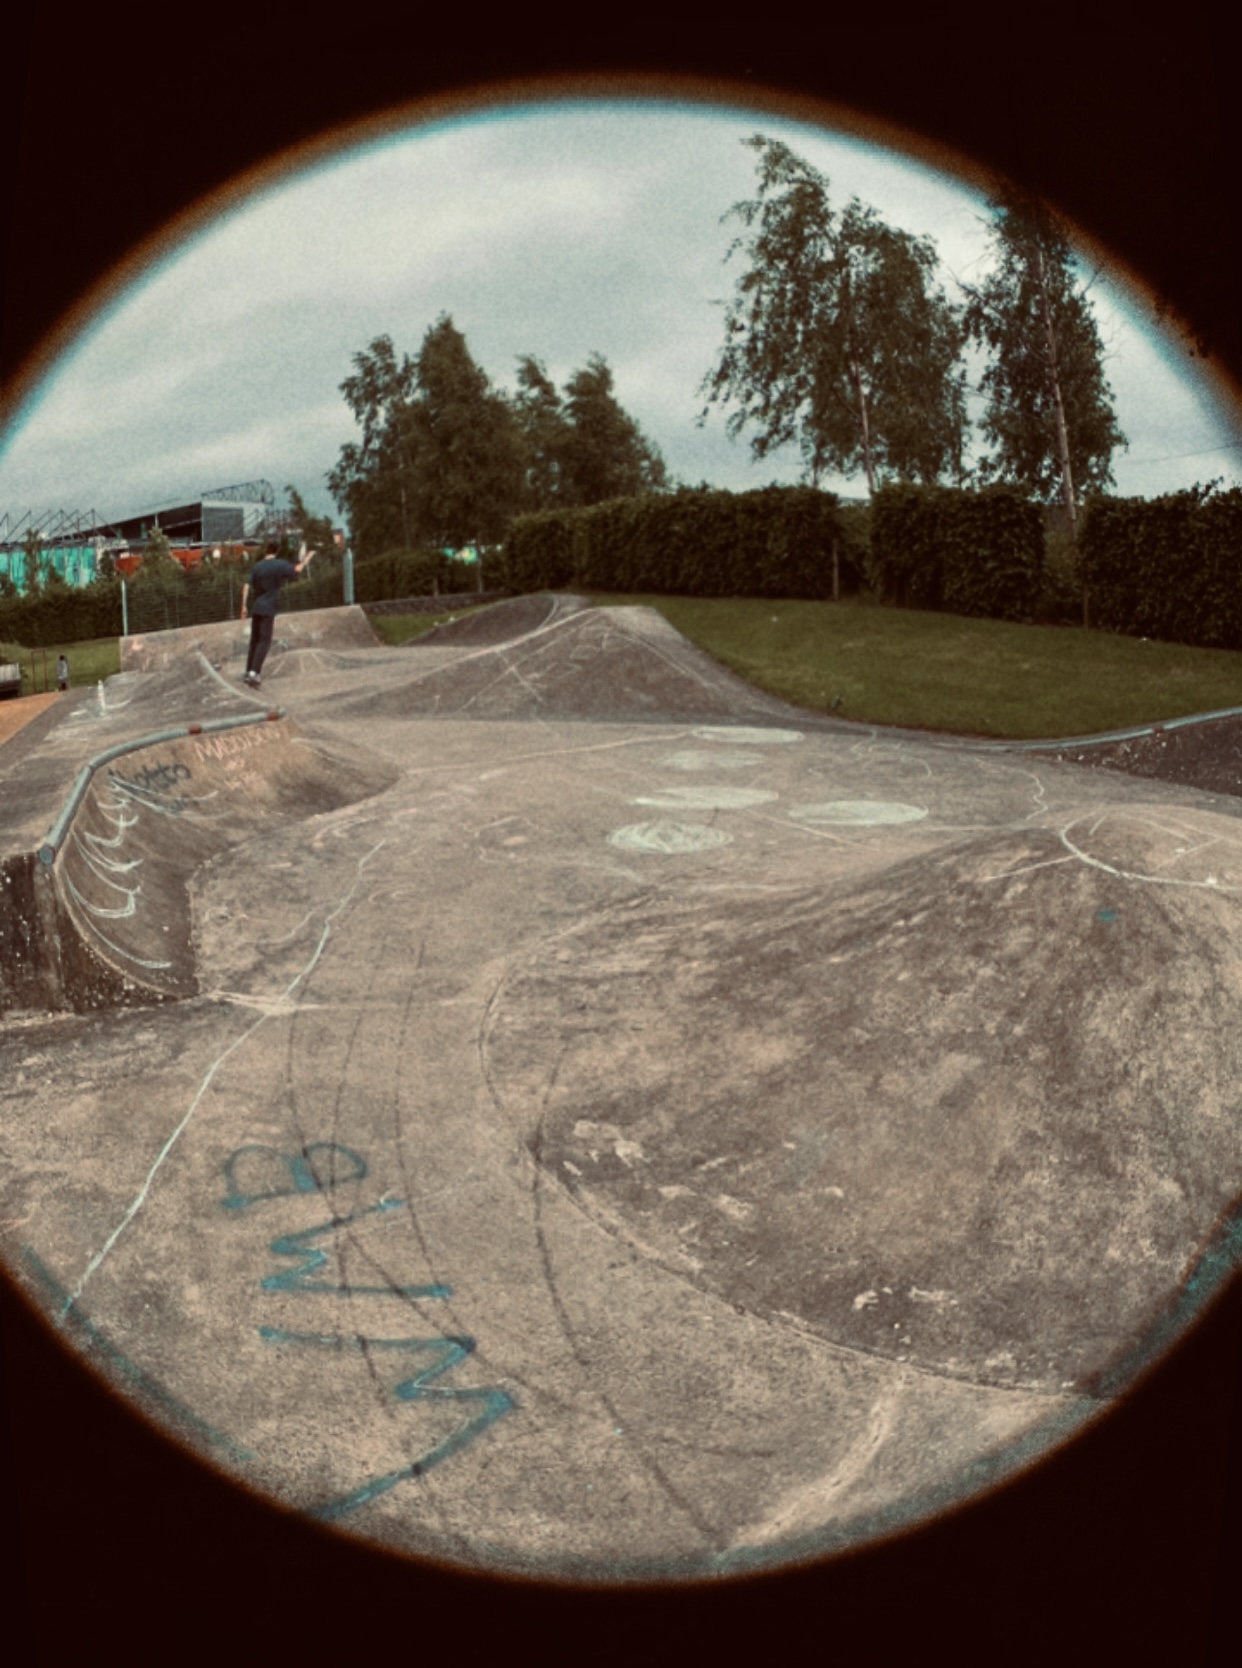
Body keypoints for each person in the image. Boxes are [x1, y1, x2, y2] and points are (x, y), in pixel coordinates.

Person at [239, 540, 314, 688]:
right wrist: (307, 558)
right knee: (264, 641)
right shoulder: (279, 565)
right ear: (277, 551)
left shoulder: (257, 567)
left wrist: (243, 606)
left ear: (266, 550)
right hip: (268, 609)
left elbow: (246, 585)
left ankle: (248, 671)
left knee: (255, 640)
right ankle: (254, 672)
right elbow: (297, 569)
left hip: (256, 608)